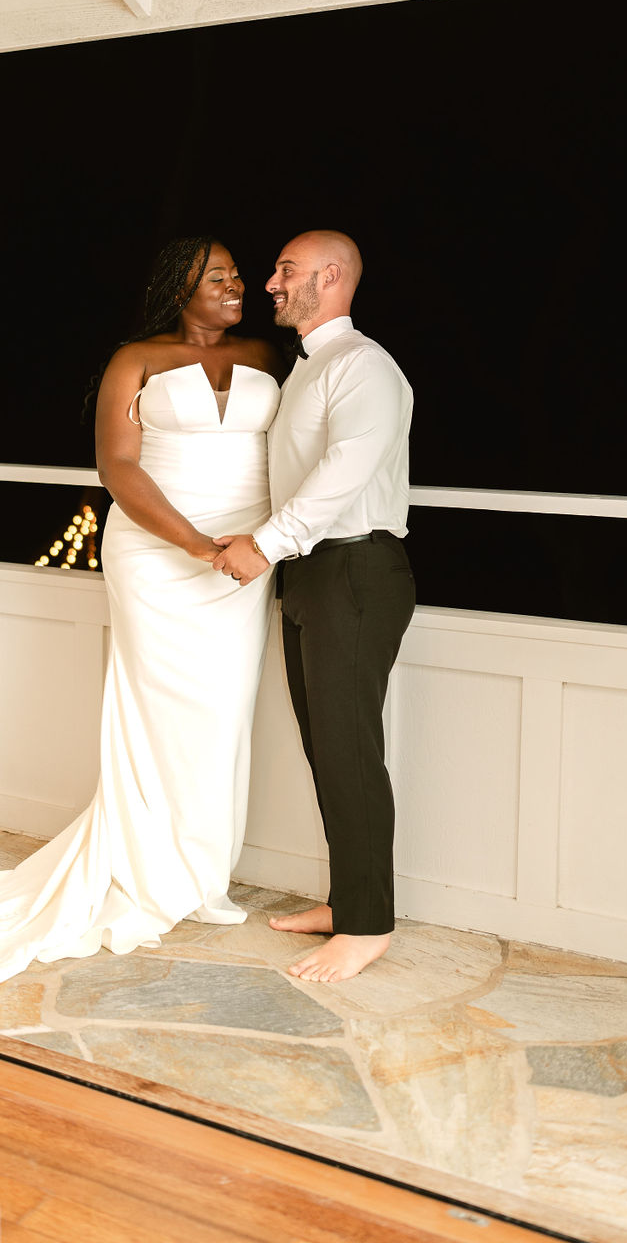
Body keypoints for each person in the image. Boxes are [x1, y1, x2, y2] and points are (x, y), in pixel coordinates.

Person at [0, 236, 284, 993]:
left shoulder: (268, 357)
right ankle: (147, 870)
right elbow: (118, 467)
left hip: (245, 559)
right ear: (181, 287)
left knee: (225, 710)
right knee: (158, 708)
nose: (237, 284)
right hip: (161, 553)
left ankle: (203, 875)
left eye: (239, 273)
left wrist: (264, 542)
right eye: (219, 276)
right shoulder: (135, 358)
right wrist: (197, 544)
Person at [213, 230, 414, 985]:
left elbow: (340, 477)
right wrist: (263, 539)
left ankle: (367, 928)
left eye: (285, 271)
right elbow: (302, 477)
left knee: (351, 750)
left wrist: (264, 546)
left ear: (330, 278)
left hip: (358, 571)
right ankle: (348, 900)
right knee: (327, 748)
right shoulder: (314, 369)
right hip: (316, 573)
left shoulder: (365, 367)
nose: (270, 282)